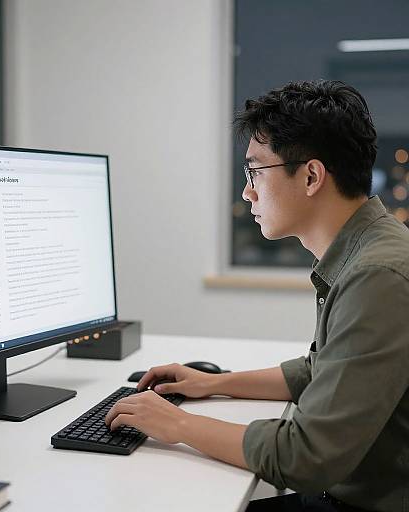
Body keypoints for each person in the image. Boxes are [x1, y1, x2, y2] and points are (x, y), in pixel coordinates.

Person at [105, 80, 409, 511]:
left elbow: (306, 455)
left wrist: (178, 424)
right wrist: (214, 383)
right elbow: (321, 369)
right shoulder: (368, 251)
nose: (247, 192)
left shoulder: (377, 275)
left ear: (310, 176)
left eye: (255, 172)